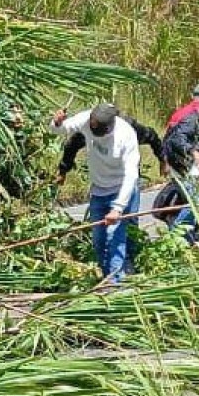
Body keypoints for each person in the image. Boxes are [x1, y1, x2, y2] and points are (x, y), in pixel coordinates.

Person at [49, 103, 141, 282]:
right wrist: (57, 122)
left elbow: (132, 175)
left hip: (119, 188)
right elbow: (60, 130)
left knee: (115, 238)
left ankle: (116, 282)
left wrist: (118, 208)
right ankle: (107, 278)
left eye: (96, 128)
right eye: (91, 124)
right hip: (98, 190)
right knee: (99, 240)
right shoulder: (88, 119)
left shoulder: (126, 135)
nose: (91, 128)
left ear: (108, 127)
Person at [162, 92, 199, 236]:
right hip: (182, 168)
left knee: (195, 202)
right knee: (196, 204)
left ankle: (185, 236)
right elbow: (177, 139)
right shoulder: (191, 120)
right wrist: (194, 152)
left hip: (190, 168)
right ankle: (175, 234)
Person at [56, 113, 164, 184]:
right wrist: (63, 171)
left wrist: (163, 159)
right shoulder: (88, 130)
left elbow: (152, 136)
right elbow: (71, 146)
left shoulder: (129, 128)